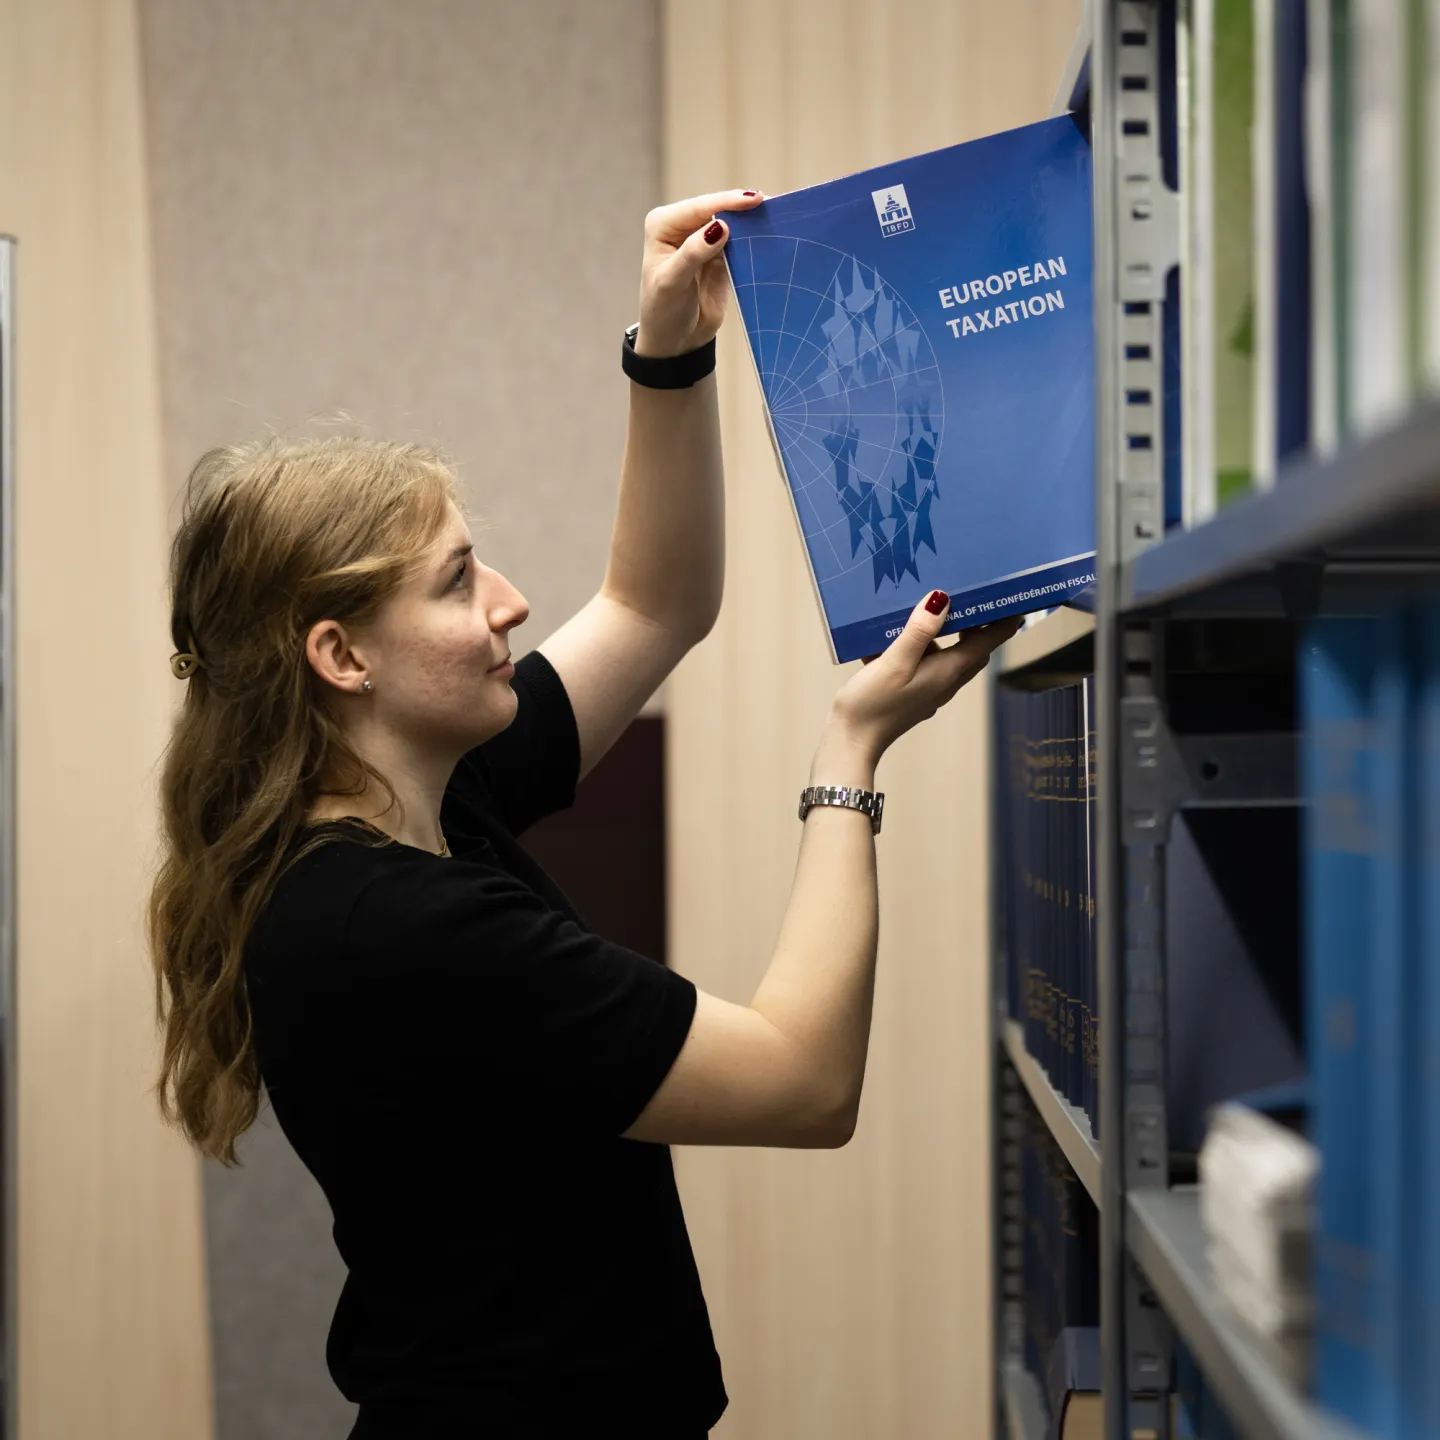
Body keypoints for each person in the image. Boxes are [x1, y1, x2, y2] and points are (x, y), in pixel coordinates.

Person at [148, 188, 1018, 1439]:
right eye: (456, 582)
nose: (508, 600)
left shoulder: (423, 807)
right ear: (342, 657)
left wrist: (668, 351)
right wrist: (852, 751)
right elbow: (802, 1083)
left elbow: (655, 601)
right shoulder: (399, 925)